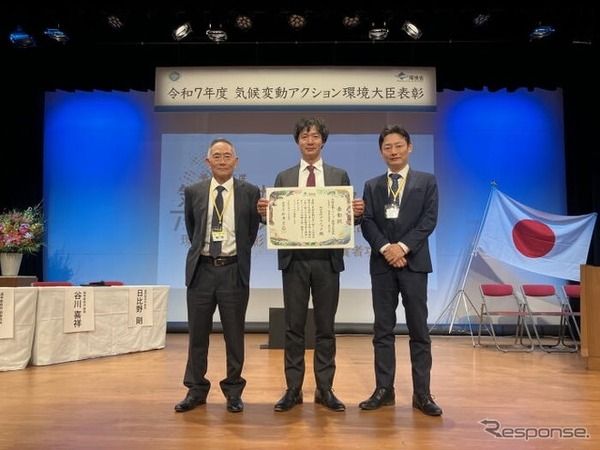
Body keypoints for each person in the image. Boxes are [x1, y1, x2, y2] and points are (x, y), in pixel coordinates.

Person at [257, 117, 364, 412]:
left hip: (327, 261)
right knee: (294, 327)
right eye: (304, 136)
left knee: (325, 327)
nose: (310, 141)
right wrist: (265, 213)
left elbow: (347, 221)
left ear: (323, 141)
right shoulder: (284, 177)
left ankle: (324, 389)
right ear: (297, 141)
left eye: (315, 136)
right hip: (294, 261)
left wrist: (356, 213)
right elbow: (275, 220)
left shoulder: (339, 175)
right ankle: (293, 389)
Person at [359, 125, 442, 416]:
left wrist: (402, 248)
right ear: (381, 151)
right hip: (382, 265)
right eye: (387, 147)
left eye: (398, 146)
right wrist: (387, 249)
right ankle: (384, 390)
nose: (393, 151)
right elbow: (367, 222)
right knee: (382, 330)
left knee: (419, 330)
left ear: (409, 147)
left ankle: (422, 394)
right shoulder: (372, 185)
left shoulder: (426, 181)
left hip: (414, 264)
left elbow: (429, 220)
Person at [175, 138, 261, 414]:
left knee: (234, 336)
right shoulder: (194, 191)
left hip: (233, 270)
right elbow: (193, 230)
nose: (222, 160)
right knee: (197, 335)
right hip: (201, 270)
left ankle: (233, 391)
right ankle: (196, 389)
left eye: (227, 156)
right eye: (217, 156)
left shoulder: (250, 192)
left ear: (236, 161)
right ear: (208, 161)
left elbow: (250, 233)